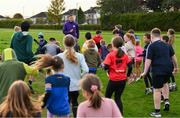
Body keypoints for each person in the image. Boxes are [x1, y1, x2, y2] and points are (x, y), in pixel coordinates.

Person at [141, 28, 178, 117]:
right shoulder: (167, 45)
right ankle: (166, 101)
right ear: (160, 35)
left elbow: (148, 60)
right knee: (165, 84)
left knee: (156, 90)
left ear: (152, 35)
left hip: (158, 70)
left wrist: (145, 72)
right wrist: (176, 67)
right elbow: (173, 57)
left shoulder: (151, 46)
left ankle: (157, 112)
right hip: (168, 69)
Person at [57, 34, 89, 117]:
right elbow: (86, 70)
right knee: (75, 102)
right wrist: (80, 77)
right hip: (75, 84)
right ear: (74, 43)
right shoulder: (79, 56)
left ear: (64, 44)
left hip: (64, 84)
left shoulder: (59, 56)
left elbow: (54, 71)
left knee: (65, 103)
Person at [104, 36, 130, 115]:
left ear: (113, 44)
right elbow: (130, 66)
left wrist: (108, 70)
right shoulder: (124, 55)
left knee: (107, 97)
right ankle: (120, 115)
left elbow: (106, 66)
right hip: (122, 80)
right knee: (118, 98)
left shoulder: (110, 55)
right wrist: (127, 75)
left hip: (113, 80)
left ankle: (108, 114)